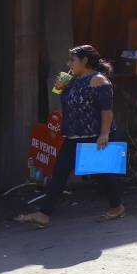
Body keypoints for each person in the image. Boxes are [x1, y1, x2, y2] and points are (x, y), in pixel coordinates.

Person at [14, 45, 125, 228]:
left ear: (85, 61)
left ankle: (117, 206)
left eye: (72, 60)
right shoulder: (73, 79)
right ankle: (44, 214)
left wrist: (104, 133)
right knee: (59, 173)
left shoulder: (98, 80)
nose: (68, 63)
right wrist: (60, 84)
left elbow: (107, 110)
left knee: (103, 174)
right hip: (72, 136)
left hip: (94, 136)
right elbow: (58, 95)